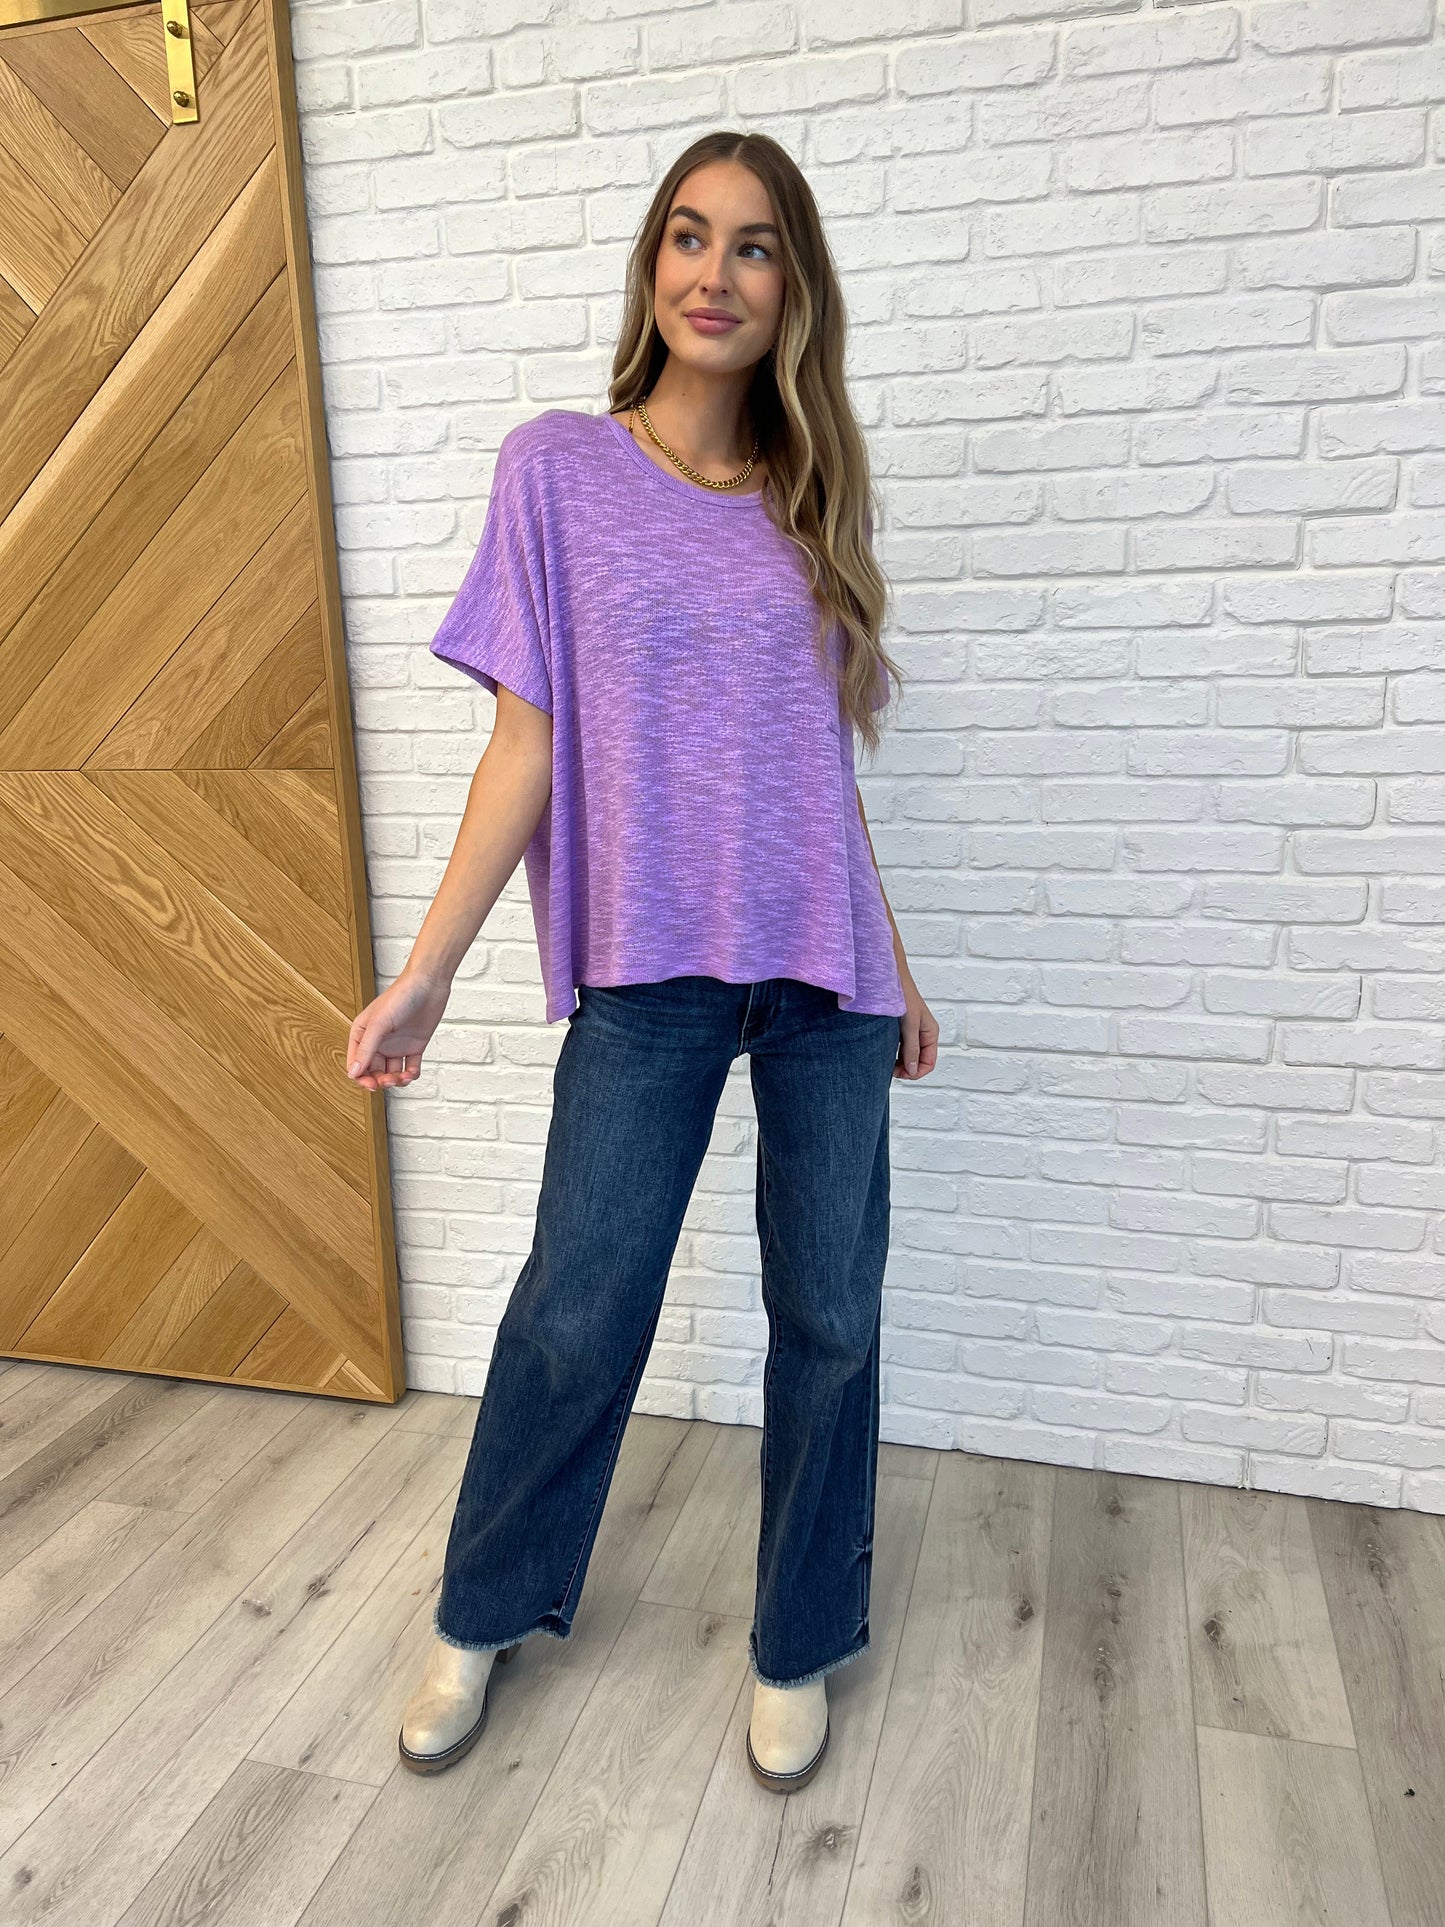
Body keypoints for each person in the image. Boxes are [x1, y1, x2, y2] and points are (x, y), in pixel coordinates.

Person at [345, 128, 940, 1796]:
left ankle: (798, 1637)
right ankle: (482, 1611)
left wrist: (894, 963)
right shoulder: (558, 472)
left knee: (829, 1318)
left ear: (792, 287)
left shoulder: (813, 505)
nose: (713, 272)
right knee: (577, 1306)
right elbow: (526, 745)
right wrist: (429, 969)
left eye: (753, 245)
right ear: (651, 266)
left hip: (824, 980)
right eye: (688, 236)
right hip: (650, 969)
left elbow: (820, 775)